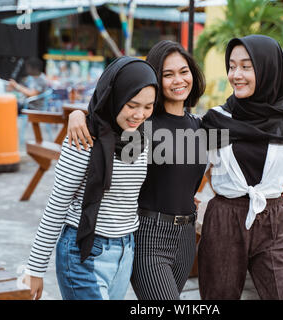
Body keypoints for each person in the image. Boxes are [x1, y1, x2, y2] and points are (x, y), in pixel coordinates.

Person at [66, 40, 207, 300]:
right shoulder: (141, 125)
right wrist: (77, 115)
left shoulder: (200, 125)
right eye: (167, 74)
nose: (178, 80)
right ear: (154, 79)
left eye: (183, 71)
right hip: (149, 234)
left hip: (187, 236)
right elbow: (104, 122)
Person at [23, 56, 158, 300]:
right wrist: (35, 268)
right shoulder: (83, 138)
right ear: (114, 97)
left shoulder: (142, 137)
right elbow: (57, 204)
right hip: (83, 253)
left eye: (148, 107)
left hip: (125, 253)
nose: (140, 114)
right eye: (132, 105)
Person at [199, 35, 283, 300]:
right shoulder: (216, 120)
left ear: (267, 70)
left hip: (275, 221)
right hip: (224, 221)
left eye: (246, 66)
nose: (236, 74)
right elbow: (186, 165)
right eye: (231, 66)